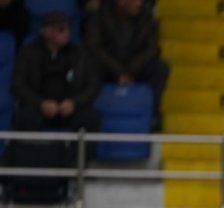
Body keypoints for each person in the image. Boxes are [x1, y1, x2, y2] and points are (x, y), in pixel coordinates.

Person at [86, 0, 170, 131]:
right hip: (110, 68)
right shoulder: (100, 16)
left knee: (161, 67)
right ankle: (91, 114)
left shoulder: (146, 16)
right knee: (90, 65)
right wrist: (119, 72)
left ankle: (152, 114)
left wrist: (131, 71)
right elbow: (95, 48)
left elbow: (153, 48)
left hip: (135, 68)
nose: (139, 3)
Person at [11, 10, 99, 132]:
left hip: (70, 107)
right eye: (61, 30)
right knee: (25, 117)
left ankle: (79, 152)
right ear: (46, 32)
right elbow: (17, 85)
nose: (67, 33)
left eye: (68, 29)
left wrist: (74, 102)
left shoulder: (79, 54)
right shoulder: (28, 53)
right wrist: (41, 103)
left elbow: (93, 85)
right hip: (38, 107)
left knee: (90, 117)